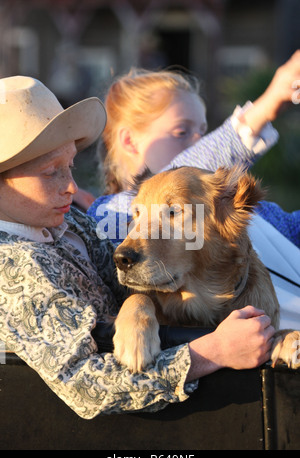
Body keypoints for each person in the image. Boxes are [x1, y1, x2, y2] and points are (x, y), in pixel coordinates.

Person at [0, 75, 275, 419]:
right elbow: (86, 385)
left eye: (70, 167)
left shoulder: (70, 224)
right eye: (51, 172)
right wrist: (214, 352)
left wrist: (140, 302)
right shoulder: (10, 266)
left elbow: (172, 203)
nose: (71, 186)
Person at [87, 51, 300, 248]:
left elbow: (291, 230)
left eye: (202, 131)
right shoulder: (109, 215)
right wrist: (267, 105)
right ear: (130, 141)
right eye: (182, 132)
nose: (199, 141)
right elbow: (152, 204)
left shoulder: (229, 205)